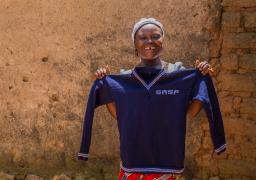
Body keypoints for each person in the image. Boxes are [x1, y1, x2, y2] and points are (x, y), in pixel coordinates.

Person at [78, 18, 226, 180]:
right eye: (143, 37)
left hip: (169, 167)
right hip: (132, 166)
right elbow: (121, 114)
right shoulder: (125, 78)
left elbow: (191, 110)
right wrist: (105, 82)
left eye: (155, 36)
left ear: (163, 40)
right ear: (134, 43)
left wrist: (201, 76)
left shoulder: (177, 72)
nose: (150, 41)